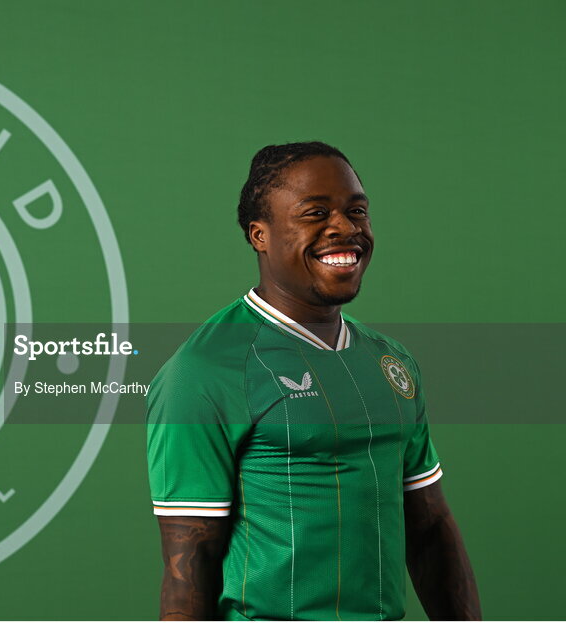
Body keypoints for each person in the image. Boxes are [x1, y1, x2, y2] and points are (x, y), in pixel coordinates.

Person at [146, 142, 481, 620]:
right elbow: (188, 566)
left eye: (356, 210)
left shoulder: (392, 362)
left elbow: (429, 528)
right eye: (316, 212)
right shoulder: (202, 373)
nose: (345, 228)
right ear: (259, 234)